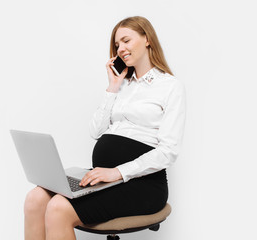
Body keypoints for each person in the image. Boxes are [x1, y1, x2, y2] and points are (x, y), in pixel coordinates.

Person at [23, 16, 186, 240]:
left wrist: (117, 172)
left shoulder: (170, 86)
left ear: (147, 39)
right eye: (117, 45)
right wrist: (112, 87)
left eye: (126, 41)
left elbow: (169, 152)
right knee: (35, 199)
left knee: (58, 208)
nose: (121, 49)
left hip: (143, 184)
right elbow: (96, 132)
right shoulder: (121, 85)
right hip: (103, 180)